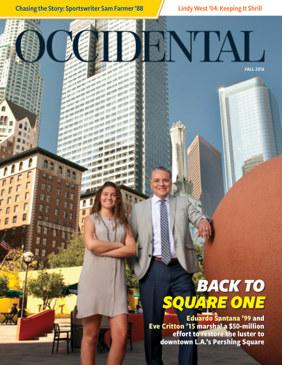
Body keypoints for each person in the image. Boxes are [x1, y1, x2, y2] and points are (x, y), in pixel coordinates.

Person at [128, 166, 212, 365]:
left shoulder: (183, 202)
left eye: (165, 180)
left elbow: (196, 217)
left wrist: (202, 220)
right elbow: (129, 241)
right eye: (157, 181)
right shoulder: (138, 209)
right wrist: (135, 268)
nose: (161, 184)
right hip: (152, 270)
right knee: (152, 328)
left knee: (189, 324)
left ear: (170, 183)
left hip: (181, 270)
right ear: (151, 184)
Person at [77, 181, 136, 365]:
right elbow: (91, 245)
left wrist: (103, 249)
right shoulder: (91, 219)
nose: (109, 197)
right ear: (99, 197)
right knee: (91, 336)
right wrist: (119, 245)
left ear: (117, 198)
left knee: (121, 336)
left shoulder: (123, 224)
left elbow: (132, 250)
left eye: (113, 194)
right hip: (93, 283)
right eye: (105, 194)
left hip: (117, 285)